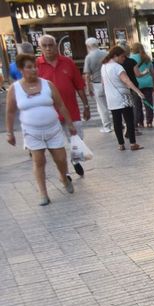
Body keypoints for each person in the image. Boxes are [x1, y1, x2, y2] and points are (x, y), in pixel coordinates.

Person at [5, 54, 77, 206]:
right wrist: (9, 132)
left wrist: (70, 124)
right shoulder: (15, 88)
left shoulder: (47, 84)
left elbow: (61, 105)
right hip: (32, 131)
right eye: (29, 67)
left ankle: (63, 177)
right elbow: (10, 111)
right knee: (39, 161)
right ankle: (43, 193)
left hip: (53, 128)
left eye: (35, 66)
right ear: (21, 70)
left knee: (61, 158)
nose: (34, 70)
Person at [36, 34, 90, 177]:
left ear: (56, 46)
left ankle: (76, 161)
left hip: (71, 110)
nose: (48, 48)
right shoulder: (37, 65)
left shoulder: (67, 62)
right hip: (50, 113)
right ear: (40, 48)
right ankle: (64, 172)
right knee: (57, 145)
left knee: (77, 139)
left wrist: (86, 105)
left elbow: (79, 85)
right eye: (45, 45)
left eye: (51, 45)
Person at [101, 46, 145, 151]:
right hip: (123, 96)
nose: (124, 59)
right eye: (122, 56)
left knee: (117, 121)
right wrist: (138, 92)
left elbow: (103, 83)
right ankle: (133, 143)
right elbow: (127, 81)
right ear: (115, 56)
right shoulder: (118, 67)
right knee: (129, 120)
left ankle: (121, 144)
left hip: (111, 98)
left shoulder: (104, 67)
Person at [83, 37, 112, 133]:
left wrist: (88, 88)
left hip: (97, 83)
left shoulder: (89, 57)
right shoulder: (106, 54)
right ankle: (120, 123)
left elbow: (87, 75)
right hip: (109, 82)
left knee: (102, 107)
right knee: (113, 104)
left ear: (88, 46)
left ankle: (107, 126)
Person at [130, 43, 154, 128]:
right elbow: (152, 72)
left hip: (136, 84)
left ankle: (140, 122)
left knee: (137, 104)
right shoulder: (147, 58)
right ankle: (149, 122)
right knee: (148, 103)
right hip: (148, 83)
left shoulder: (131, 58)